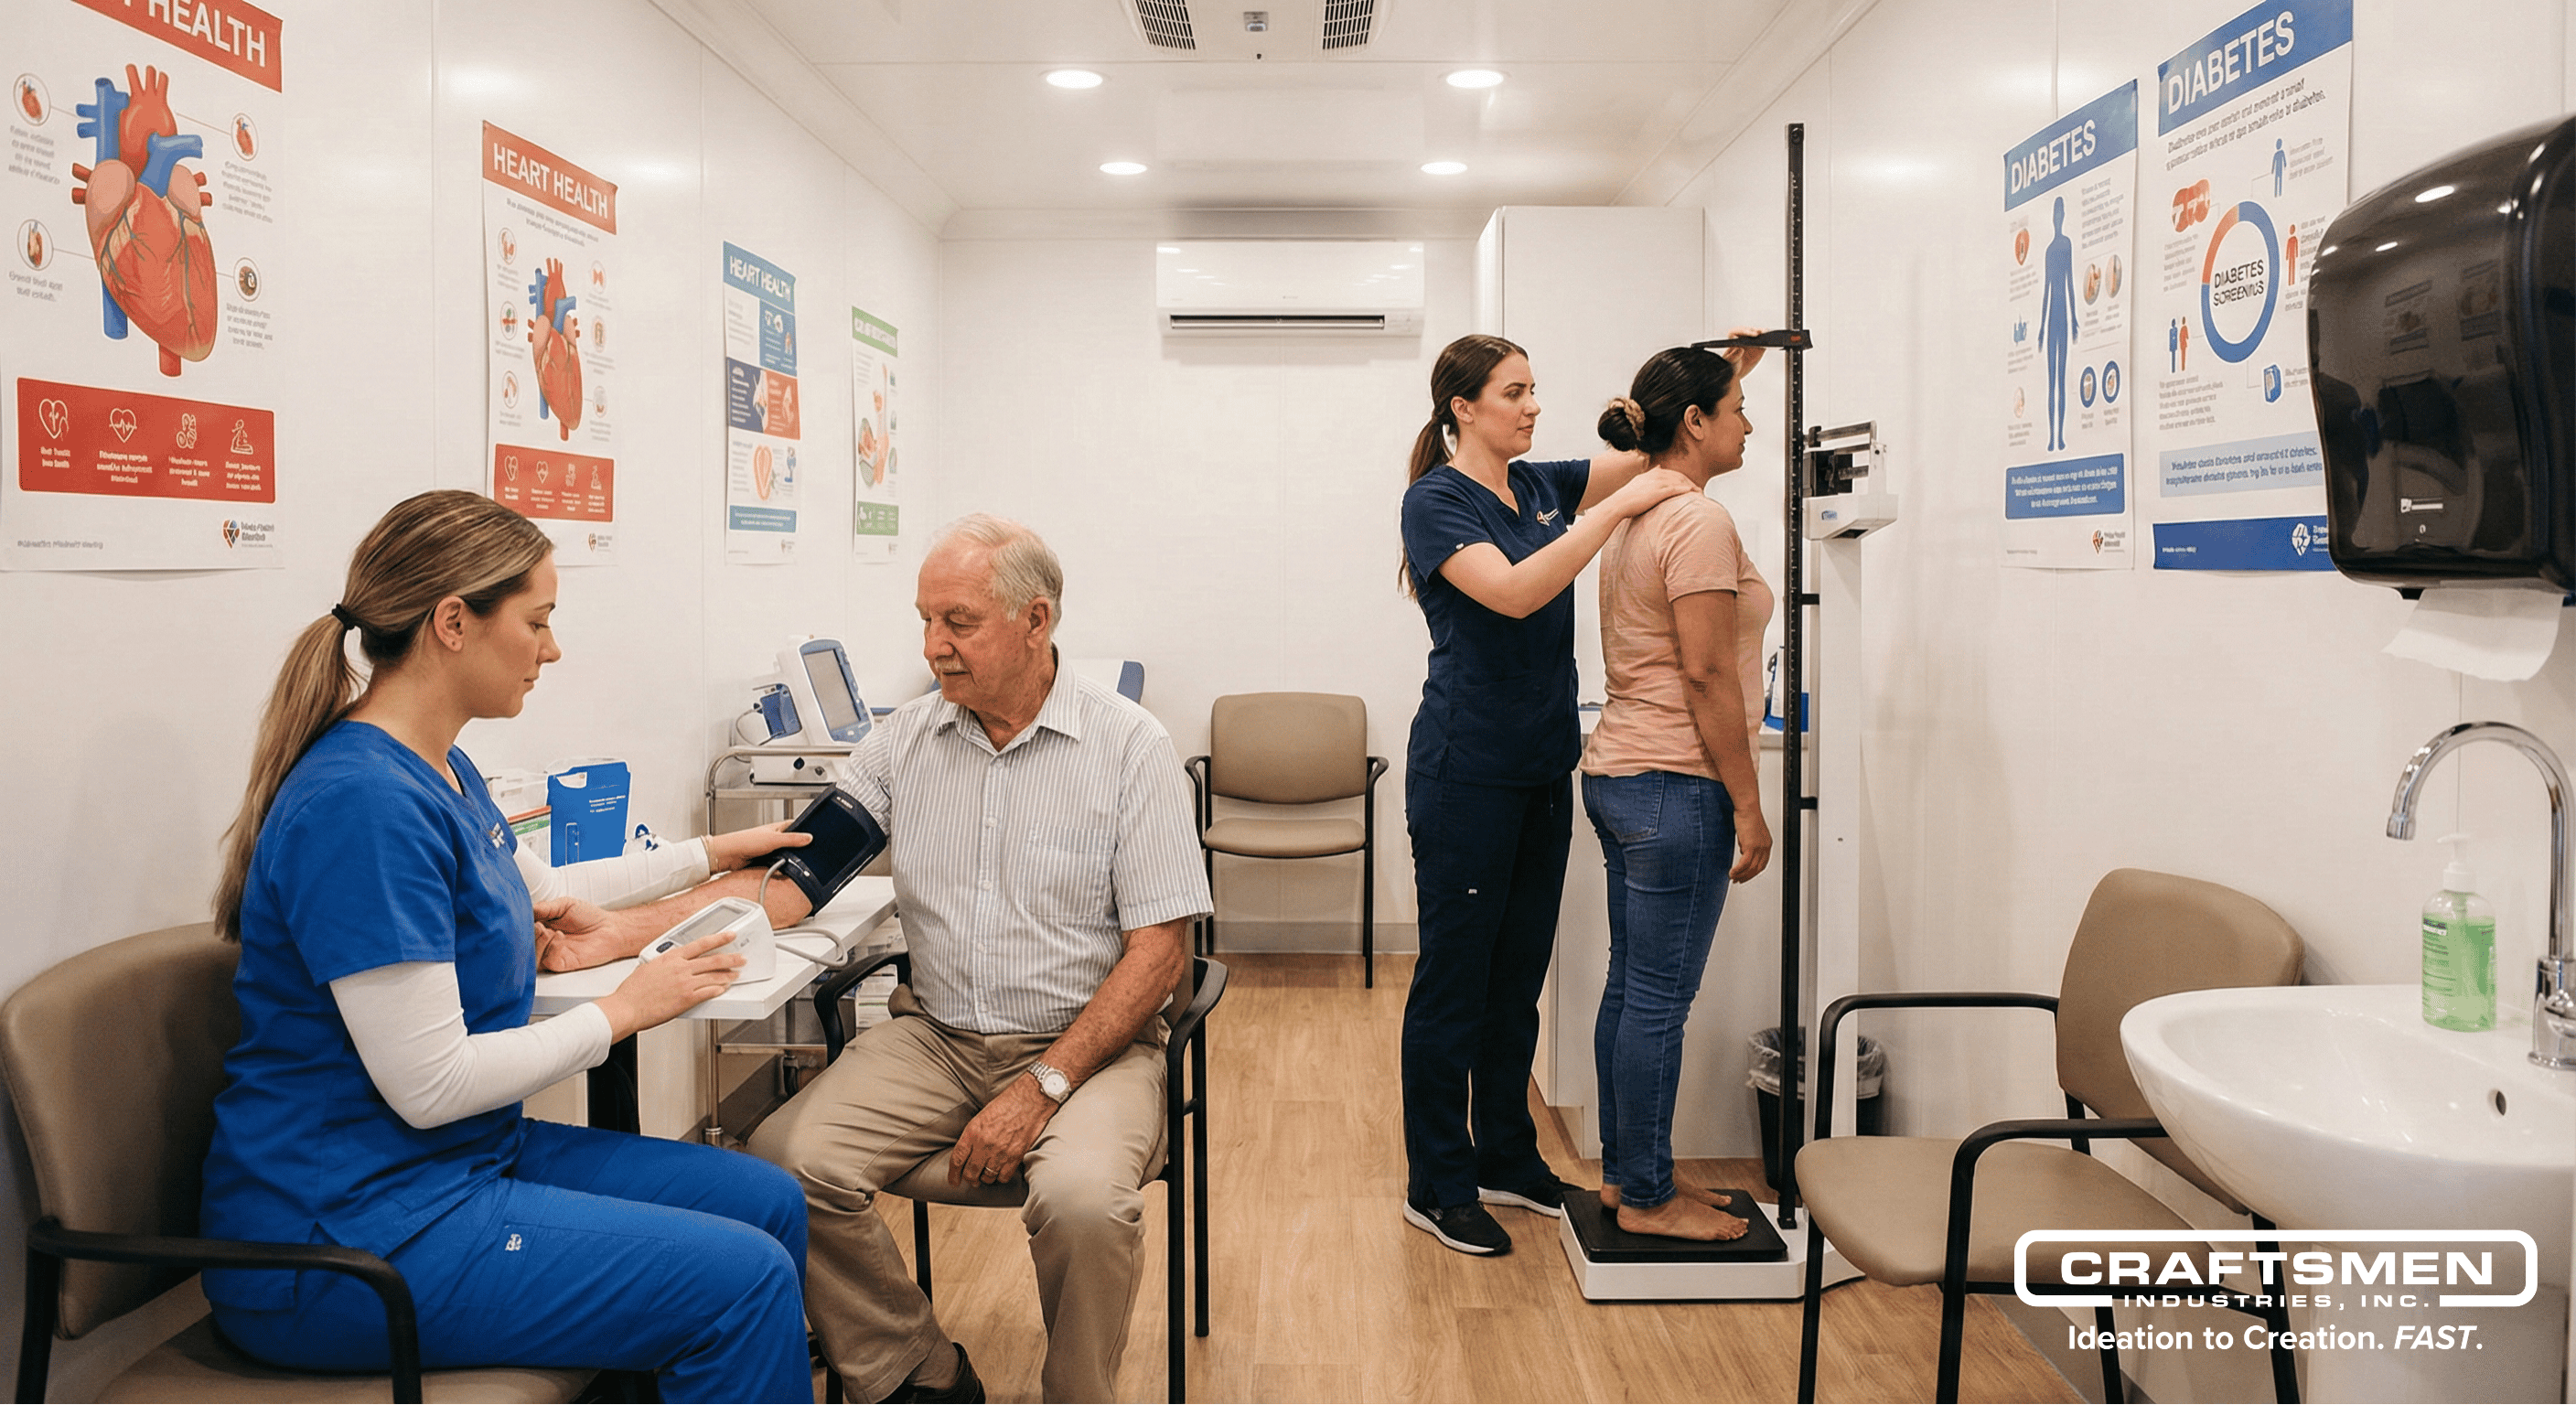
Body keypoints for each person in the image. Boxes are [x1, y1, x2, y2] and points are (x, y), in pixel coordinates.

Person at [201, 490, 813, 1402]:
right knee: (742, 1280)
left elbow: (552, 895)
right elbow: (431, 1082)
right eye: (537, 621)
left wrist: (711, 854)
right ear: (453, 623)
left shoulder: (437, 765)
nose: (552, 649)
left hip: (453, 1167)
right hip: (338, 1239)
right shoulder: (363, 806)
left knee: (767, 1202)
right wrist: (624, 1010)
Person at [746, 514, 1211, 1404]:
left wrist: (1041, 1086)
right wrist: (626, 927)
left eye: (957, 622)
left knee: (1081, 1204)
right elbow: (798, 877)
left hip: (1090, 1047)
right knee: (779, 1167)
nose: (933, 648)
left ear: (1035, 622)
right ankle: (916, 1370)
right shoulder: (901, 743)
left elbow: (1158, 959)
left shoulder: (1130, 749)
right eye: (924, 621)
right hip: (935, 1037)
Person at [1394, 333, 1700, 1257]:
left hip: (1537, 768)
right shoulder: (1436, 501)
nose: (1531, 407)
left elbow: (1642, 458)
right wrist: (1612, 516)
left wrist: (1709, 374)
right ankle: (1437, 1181)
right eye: (1513, 392)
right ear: (1462, 408)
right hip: (1463, 774)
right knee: (1455, 983)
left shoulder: (1535, 484)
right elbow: (1520, 592)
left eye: (1533, 391)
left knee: (1516, 977)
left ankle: (1505, 1155)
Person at [1584, 346, 1777, 1241]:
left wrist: (1729, 359)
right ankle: (1651, 1196)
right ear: (1693, 421)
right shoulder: (1695, 520)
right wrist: (1747, 801)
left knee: (1632, 990)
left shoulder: (1636, 514)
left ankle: (1632, 1181)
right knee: (1657, 998)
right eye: (1735, 405)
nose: (1748, 421)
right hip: (1675, 780)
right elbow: (1705, 674)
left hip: (1623, 775)